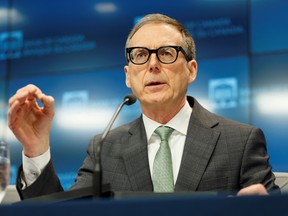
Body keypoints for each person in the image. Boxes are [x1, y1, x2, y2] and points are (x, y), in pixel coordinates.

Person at [8, 13, 279, 200]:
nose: (152, 64)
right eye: (140, 55)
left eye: (165, 53)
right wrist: (36, 148)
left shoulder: (241, 141)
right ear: (128, 76)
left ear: (191, 70)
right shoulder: (104, 148)